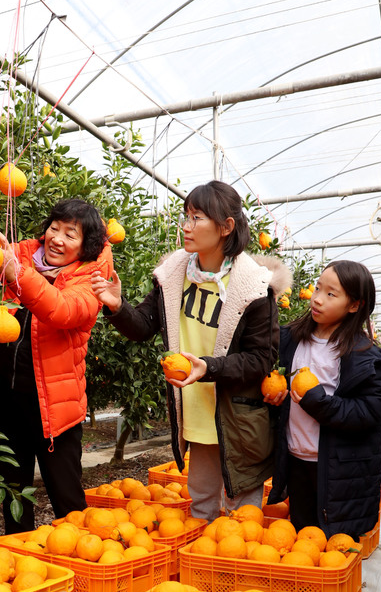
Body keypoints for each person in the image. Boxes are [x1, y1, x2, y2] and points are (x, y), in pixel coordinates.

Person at [91, 180, 292, 521]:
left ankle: (236, 575)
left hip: (238, 418)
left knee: (242, 517)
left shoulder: (255, 287)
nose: (186, 226)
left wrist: (209, 368)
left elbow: (260, 360)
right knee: (200, 509)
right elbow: (143, 327)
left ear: (226, 226)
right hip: (196, 413)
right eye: (186, 216)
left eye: (197, 218)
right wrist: (116, 306)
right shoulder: (173, 275)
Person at [0, 198, 113, 532]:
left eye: (71, 234)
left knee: (67, 501)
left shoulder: (91, 280)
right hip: (9, 400)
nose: (58, 238)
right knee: (14, 499)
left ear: (86, 246)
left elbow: (61, 310)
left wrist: (18, 274)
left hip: (56, 409)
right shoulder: (23, 255)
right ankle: (21, 568)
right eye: (55, 228)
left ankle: (82, 568)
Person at [263, 260, 381, 538]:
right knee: (301, 538)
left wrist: (318, 402)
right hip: (296, 459)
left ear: (354, 305)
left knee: (335, 543)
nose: (317, 299)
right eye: (318, 288)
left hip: (338, 468)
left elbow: (371, 412)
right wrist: (276, 397)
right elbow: (275, 380)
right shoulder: (291, 338)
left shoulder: (365, 355)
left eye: (331, 294)